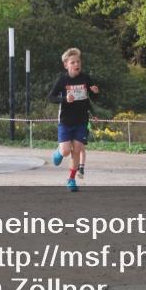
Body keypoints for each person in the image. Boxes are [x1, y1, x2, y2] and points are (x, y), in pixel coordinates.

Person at [48, 48, 99, 192]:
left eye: (78, 61)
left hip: (81, 120)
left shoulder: (85, 78)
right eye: (73, 62)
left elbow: (90, 98)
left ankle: (71, 179)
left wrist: (95, 92)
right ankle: (58, 152)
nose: (76, 64)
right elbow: (51, 97)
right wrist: (64, 99)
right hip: (65, 120)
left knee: (77, 149)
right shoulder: (62, 80)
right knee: (65, 151)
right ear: (66, 65)